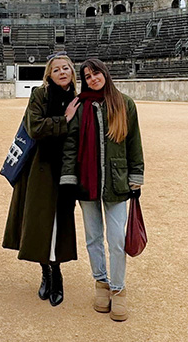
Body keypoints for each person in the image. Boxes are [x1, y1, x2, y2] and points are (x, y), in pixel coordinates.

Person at [61, 58, 144, 321]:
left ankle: (118, 290)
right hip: (86, 181)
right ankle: (101, 283)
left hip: (116, 180)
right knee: (93, 237)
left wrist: (136, 176)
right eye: (87, 76)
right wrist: (68, 178)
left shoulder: (124, 103)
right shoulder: (80, 105)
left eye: (96, 73)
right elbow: (71, 145)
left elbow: (134, 141)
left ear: (105, 74)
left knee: (116, 239)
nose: (92, 78)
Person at [3, 52, 81, 306]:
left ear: (72, 72)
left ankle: (57, 274)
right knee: (39, 221)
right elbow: (35, 127)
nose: (62, 72)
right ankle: (46, 272)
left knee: (60, 222)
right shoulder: (39, 94)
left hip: (66, 168)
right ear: (49, 75)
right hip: (39, 169)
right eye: (56, 69)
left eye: (66, 68)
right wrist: (64, 119)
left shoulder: (79, 99)